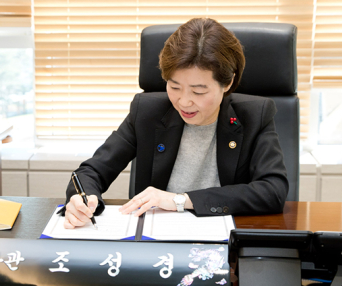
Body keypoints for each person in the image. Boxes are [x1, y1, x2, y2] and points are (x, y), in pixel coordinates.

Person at [62, 17, 288, 229]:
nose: (184, 101)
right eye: (174, 87)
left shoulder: (255, 115)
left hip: (223, 239)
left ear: (227, 83)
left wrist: (182, 200)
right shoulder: (147, 112)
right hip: (156, 238)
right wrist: (82, 198)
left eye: (199, 91)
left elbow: (273, 191)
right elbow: (91, 171)